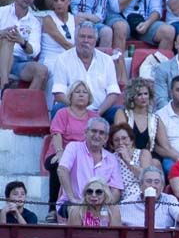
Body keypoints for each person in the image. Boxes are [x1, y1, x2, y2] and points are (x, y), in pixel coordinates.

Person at [48, 21, 121, 120]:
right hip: (72, 109)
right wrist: (79, 110)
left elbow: (113, 93)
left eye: (90, 37)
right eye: (82, 36)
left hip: (100, 111)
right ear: (75, 39)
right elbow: (58, 94)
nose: (85, 40)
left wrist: (98, 112)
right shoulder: (62, 59)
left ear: (95, 41)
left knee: (120, 112)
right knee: (58, 109)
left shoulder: (107, 60)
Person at [44, 81, 97, 215]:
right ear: (71, 96)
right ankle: (52, 209)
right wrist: (60, 152)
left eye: (84, 92)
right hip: (60, 151)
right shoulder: (62, 113)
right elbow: (56, 134)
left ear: (89, 97)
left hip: (85, 155)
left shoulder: (94, 117)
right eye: (77, 92)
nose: (81, 95)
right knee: (59, 165)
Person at [57, 116, 122, 217]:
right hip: (73, 203)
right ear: (85, 132)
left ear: (106, 138)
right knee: (76, 211)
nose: (97, 135)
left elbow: (116, 189)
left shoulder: (111, 158)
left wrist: (105, 206)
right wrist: (72, 199)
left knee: (116, 212)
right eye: (94, 131)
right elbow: (62, 170)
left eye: (101, 133)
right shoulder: (74, 147)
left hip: (100, 206)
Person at [0, 0, 49, 96]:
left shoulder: (34, 22)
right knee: (9, 39)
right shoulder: (2, 12)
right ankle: (4, 87)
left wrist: (22, 41)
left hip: (20, 62)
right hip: (1, 56)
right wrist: (2, 33)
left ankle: (24, 103)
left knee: (42, 71)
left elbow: (35, 51)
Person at [111, 0, 177, 55]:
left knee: (168, 31)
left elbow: (156, 10)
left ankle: (160, 66)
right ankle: (118, 65)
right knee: (120, 27)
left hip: (144, 19)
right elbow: (116, 7)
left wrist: (147, 23)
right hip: (120, 17)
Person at [109, 122, 153, 212]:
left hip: (143, 198)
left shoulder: (143, 153)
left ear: (131, 140)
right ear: (112, 144)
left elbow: (146, 178)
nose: (121, 143)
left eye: (124, 138)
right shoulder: (111, 158)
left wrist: (127, 160)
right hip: (123, 202)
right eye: (116, 140)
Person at [113, 78, 163, 154]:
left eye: (146, 94)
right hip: (126, 153)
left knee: (156, 163)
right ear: (132, 97)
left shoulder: (155, 118)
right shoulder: (122, 113)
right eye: (139, 94)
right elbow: (121, 140)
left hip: (147, 156)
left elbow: (166, 146)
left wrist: (177, 157)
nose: (143, 97)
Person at [39, 0, 77, 72]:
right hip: (50, 60)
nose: (59, 3)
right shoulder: (48, 20)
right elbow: (66, 45)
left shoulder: (74, 19)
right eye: (55, 0)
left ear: (69, 1)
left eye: (62, 0)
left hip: (68, 60)